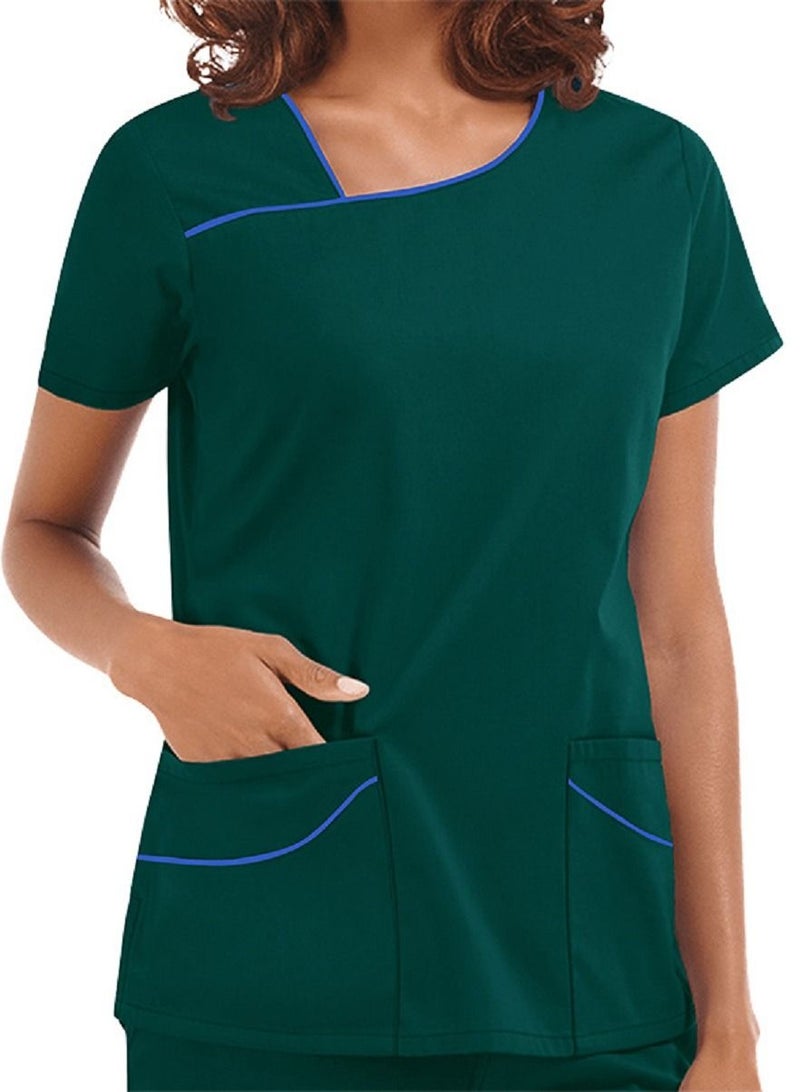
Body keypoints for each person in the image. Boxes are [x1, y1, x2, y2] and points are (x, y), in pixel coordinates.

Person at [2, 1, 785, 1090]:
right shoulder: (174, 172)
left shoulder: (655, 179)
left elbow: (680, 624)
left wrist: (731, 1024)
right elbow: (41, 531)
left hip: (584, 949)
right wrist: (140, 652)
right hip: (271, 934)